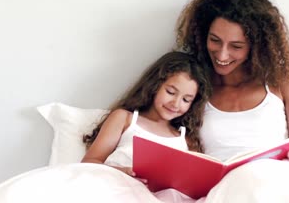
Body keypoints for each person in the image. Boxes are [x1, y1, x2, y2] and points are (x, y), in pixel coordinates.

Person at [175, 0, 289, 164]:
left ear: (256, 47)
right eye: (214, 40)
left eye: (236, 46)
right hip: (220, 186)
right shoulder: (192, 81)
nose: (222, 54)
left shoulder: (284, 79)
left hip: (274, 180)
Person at [81, 51, 211, 179]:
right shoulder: (124, 119)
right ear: (154, 85)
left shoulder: (186, 140)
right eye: (170, 92)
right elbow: (90, 162)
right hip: (115, 186)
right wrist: (123, 172)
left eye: (186, 100)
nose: (175, 104)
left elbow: (195, 180)